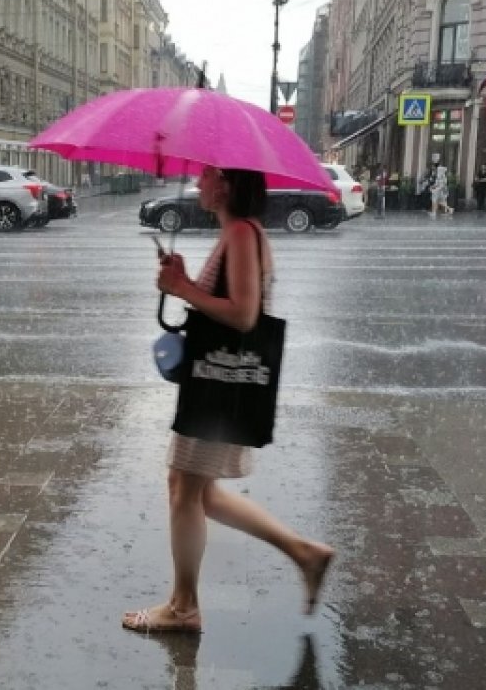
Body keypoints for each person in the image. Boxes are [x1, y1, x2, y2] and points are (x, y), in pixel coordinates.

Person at [123, 166, 334, 635]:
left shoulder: (241, 233)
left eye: (206, 177)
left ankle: (183, 608)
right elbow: (223, 302)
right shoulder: (239, 233)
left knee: (183, 492)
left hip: (219, 384)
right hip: (220, 382)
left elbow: (243, 315)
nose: (198, 184)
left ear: (228, 184)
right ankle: (304, 553)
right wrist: (183, 283)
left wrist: (182, 289)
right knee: (201, 494)